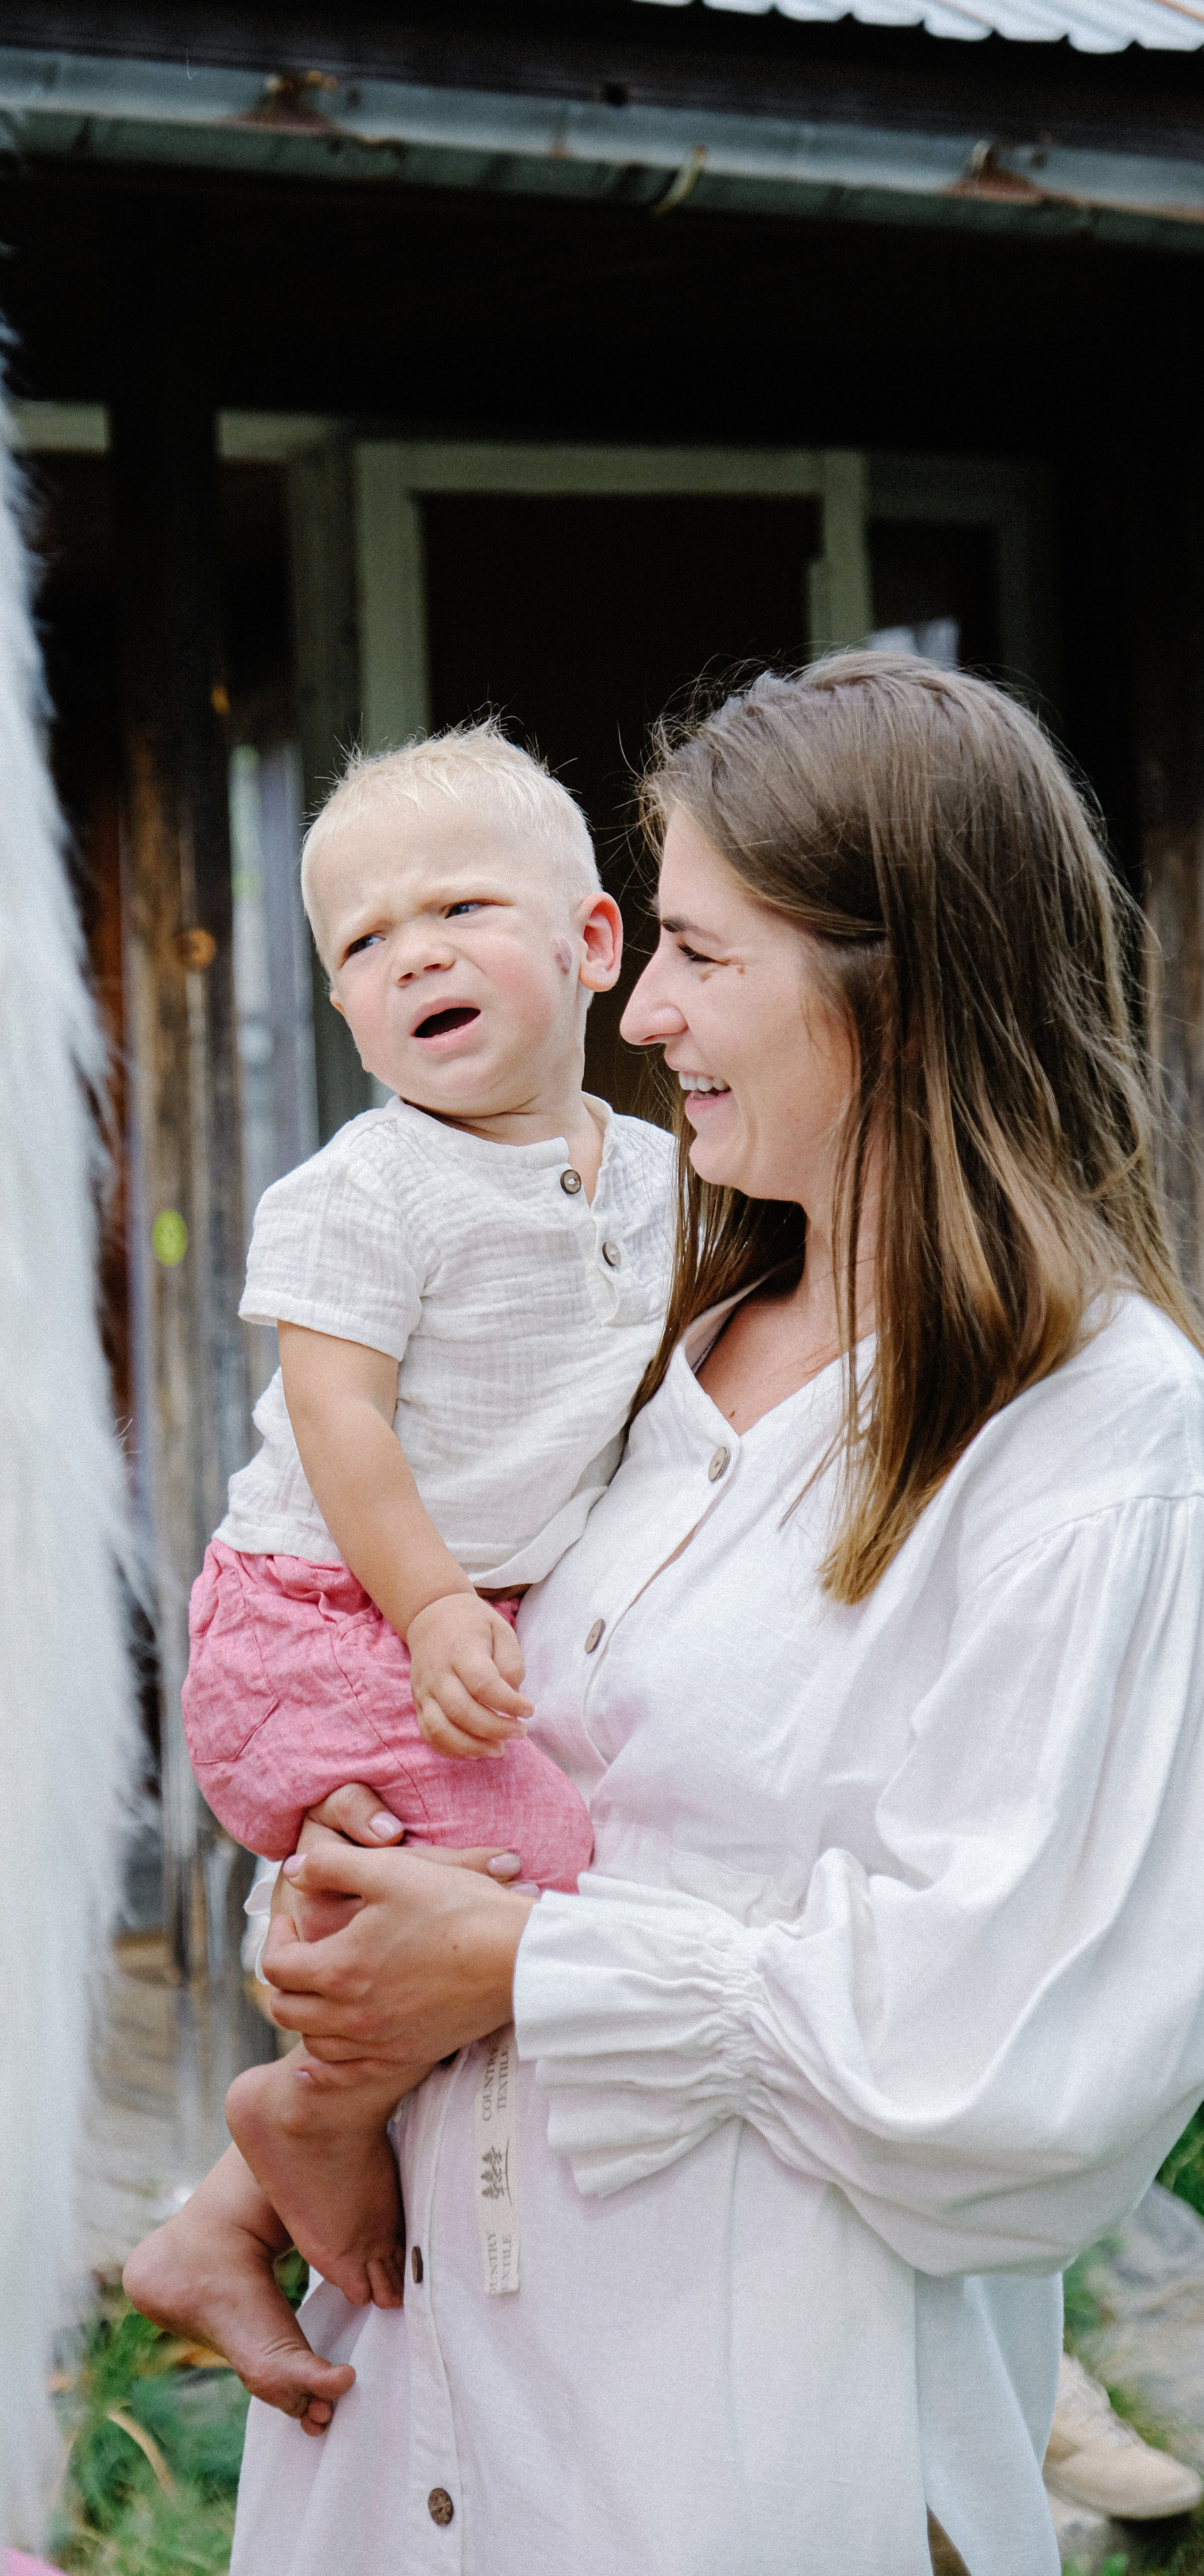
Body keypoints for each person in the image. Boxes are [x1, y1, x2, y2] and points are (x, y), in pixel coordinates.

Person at [224, 654, 1204, 2576]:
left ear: (895, 985)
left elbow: (1017, 2079)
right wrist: (321, 2002)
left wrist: (518, 1967)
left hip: (731, 2473)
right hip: (413, 2430)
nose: (644, 1011)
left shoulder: (1101, 1441)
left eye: (696, 953)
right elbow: (544, 1798)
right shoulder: (658, 1335)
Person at [126, 724, 673, 2414]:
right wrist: (434, 1603)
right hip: (323, 1615)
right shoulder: (360, 1192)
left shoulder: (658, 1177)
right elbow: (338, 1421)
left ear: (593, 946)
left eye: (457, 908)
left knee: (512, 1880)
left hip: (445, 1619)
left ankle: (212, 2228)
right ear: (346, 1008)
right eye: (361, 943)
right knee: (526, 1874)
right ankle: (306, 2113)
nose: (410, 952)